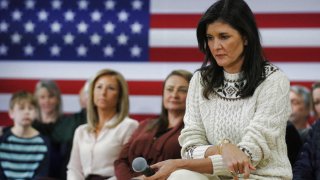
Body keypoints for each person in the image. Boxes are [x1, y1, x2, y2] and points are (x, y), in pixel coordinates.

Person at [145, 0, 292, 179]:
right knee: (182, 176)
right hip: (215, 175)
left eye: (224, 37)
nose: (215, 46)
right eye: (210, 38)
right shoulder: (200, 80)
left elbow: (247, 157)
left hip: (259, 176)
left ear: (246, 37)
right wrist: (223, 148)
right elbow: (190, 146)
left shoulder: (274, 80)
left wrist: (178, 164)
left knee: (180, 172)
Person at [114, 70, 193, 180]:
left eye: (182, 90)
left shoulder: (193, 130)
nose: (174, 95)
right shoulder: (144, 125)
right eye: (169, 89)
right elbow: (121, 160)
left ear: (192, 95)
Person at [67, 69, 139, 180]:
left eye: (110, 88)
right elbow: (74, 169)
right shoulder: (81, 131)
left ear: (120, 96)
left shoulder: (129, 126)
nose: (103, 93)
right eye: (99, 87)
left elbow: (130, 169)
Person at [0, 91, 50, 179]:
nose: (26, 112)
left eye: (30, 108)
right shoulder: (2, 139)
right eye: (21, 108)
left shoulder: (43, 143)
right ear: (11, 113)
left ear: (35, 113)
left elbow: (41, 175)